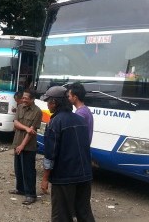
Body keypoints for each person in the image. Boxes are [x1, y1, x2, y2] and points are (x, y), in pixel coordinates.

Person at [40, 86, 95, 222]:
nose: (47, 105)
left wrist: (45, 178)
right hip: (85, 175)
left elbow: (50, 153)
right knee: (84, 213)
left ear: (55, 103)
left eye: (49, 102)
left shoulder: (55, 122)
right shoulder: (80, 120)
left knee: (61, 215)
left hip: (64, 177)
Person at [10, 89, 43, 205]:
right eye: (23, 98)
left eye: (26, 98)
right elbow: (15, 122)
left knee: (28, 170)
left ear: (32, 99)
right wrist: (25, 128)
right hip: (17, 142)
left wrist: (22, 146)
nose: (23, 100)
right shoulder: (20, 107)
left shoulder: (37, 112)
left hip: (28, 146)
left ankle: (30, 194)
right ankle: (20, 189)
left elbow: (32, 132)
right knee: (18, 169)